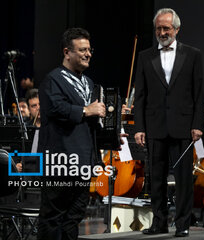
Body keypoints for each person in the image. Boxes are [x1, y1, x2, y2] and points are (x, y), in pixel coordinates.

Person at [134, 8, 204, 237]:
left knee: (184, 179)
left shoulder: (193, 55)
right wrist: (140, 128)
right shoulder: (145, 56)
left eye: (166, 28)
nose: (162, 32)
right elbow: (141, 96)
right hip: (154, 127)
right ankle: (159, 222)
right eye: (158, 28)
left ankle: (182, 224)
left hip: (183, 126)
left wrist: (197, 124)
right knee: (156, 178)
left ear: (176, 29)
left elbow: (198, 93)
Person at [37, 27, 106, 240]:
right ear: (67, 52)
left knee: (74, 216)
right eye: (82, 50)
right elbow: (55, 108)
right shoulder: (53, 79)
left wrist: (110, 136)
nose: (88, 54)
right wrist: (86, 110)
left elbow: (91, 124)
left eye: (89, 50)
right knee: (53, 217)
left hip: (83, 161)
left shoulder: (89, 83)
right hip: (60, 160)